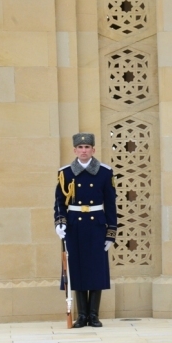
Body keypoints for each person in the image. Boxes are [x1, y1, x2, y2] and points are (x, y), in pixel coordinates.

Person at [54, 133, 117, 328]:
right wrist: (60, 222)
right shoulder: (65, 173)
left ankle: (94, 315)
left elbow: (110, 204)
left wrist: (111, 232)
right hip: (75, 225)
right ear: (74, 150)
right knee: (77, 269)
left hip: (96, 225)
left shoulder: (105, 172)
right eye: (80, 148)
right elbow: (59, 202)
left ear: (93, 150)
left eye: (87, 147)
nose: (83, 151)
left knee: (96, 269)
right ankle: (81, 315)